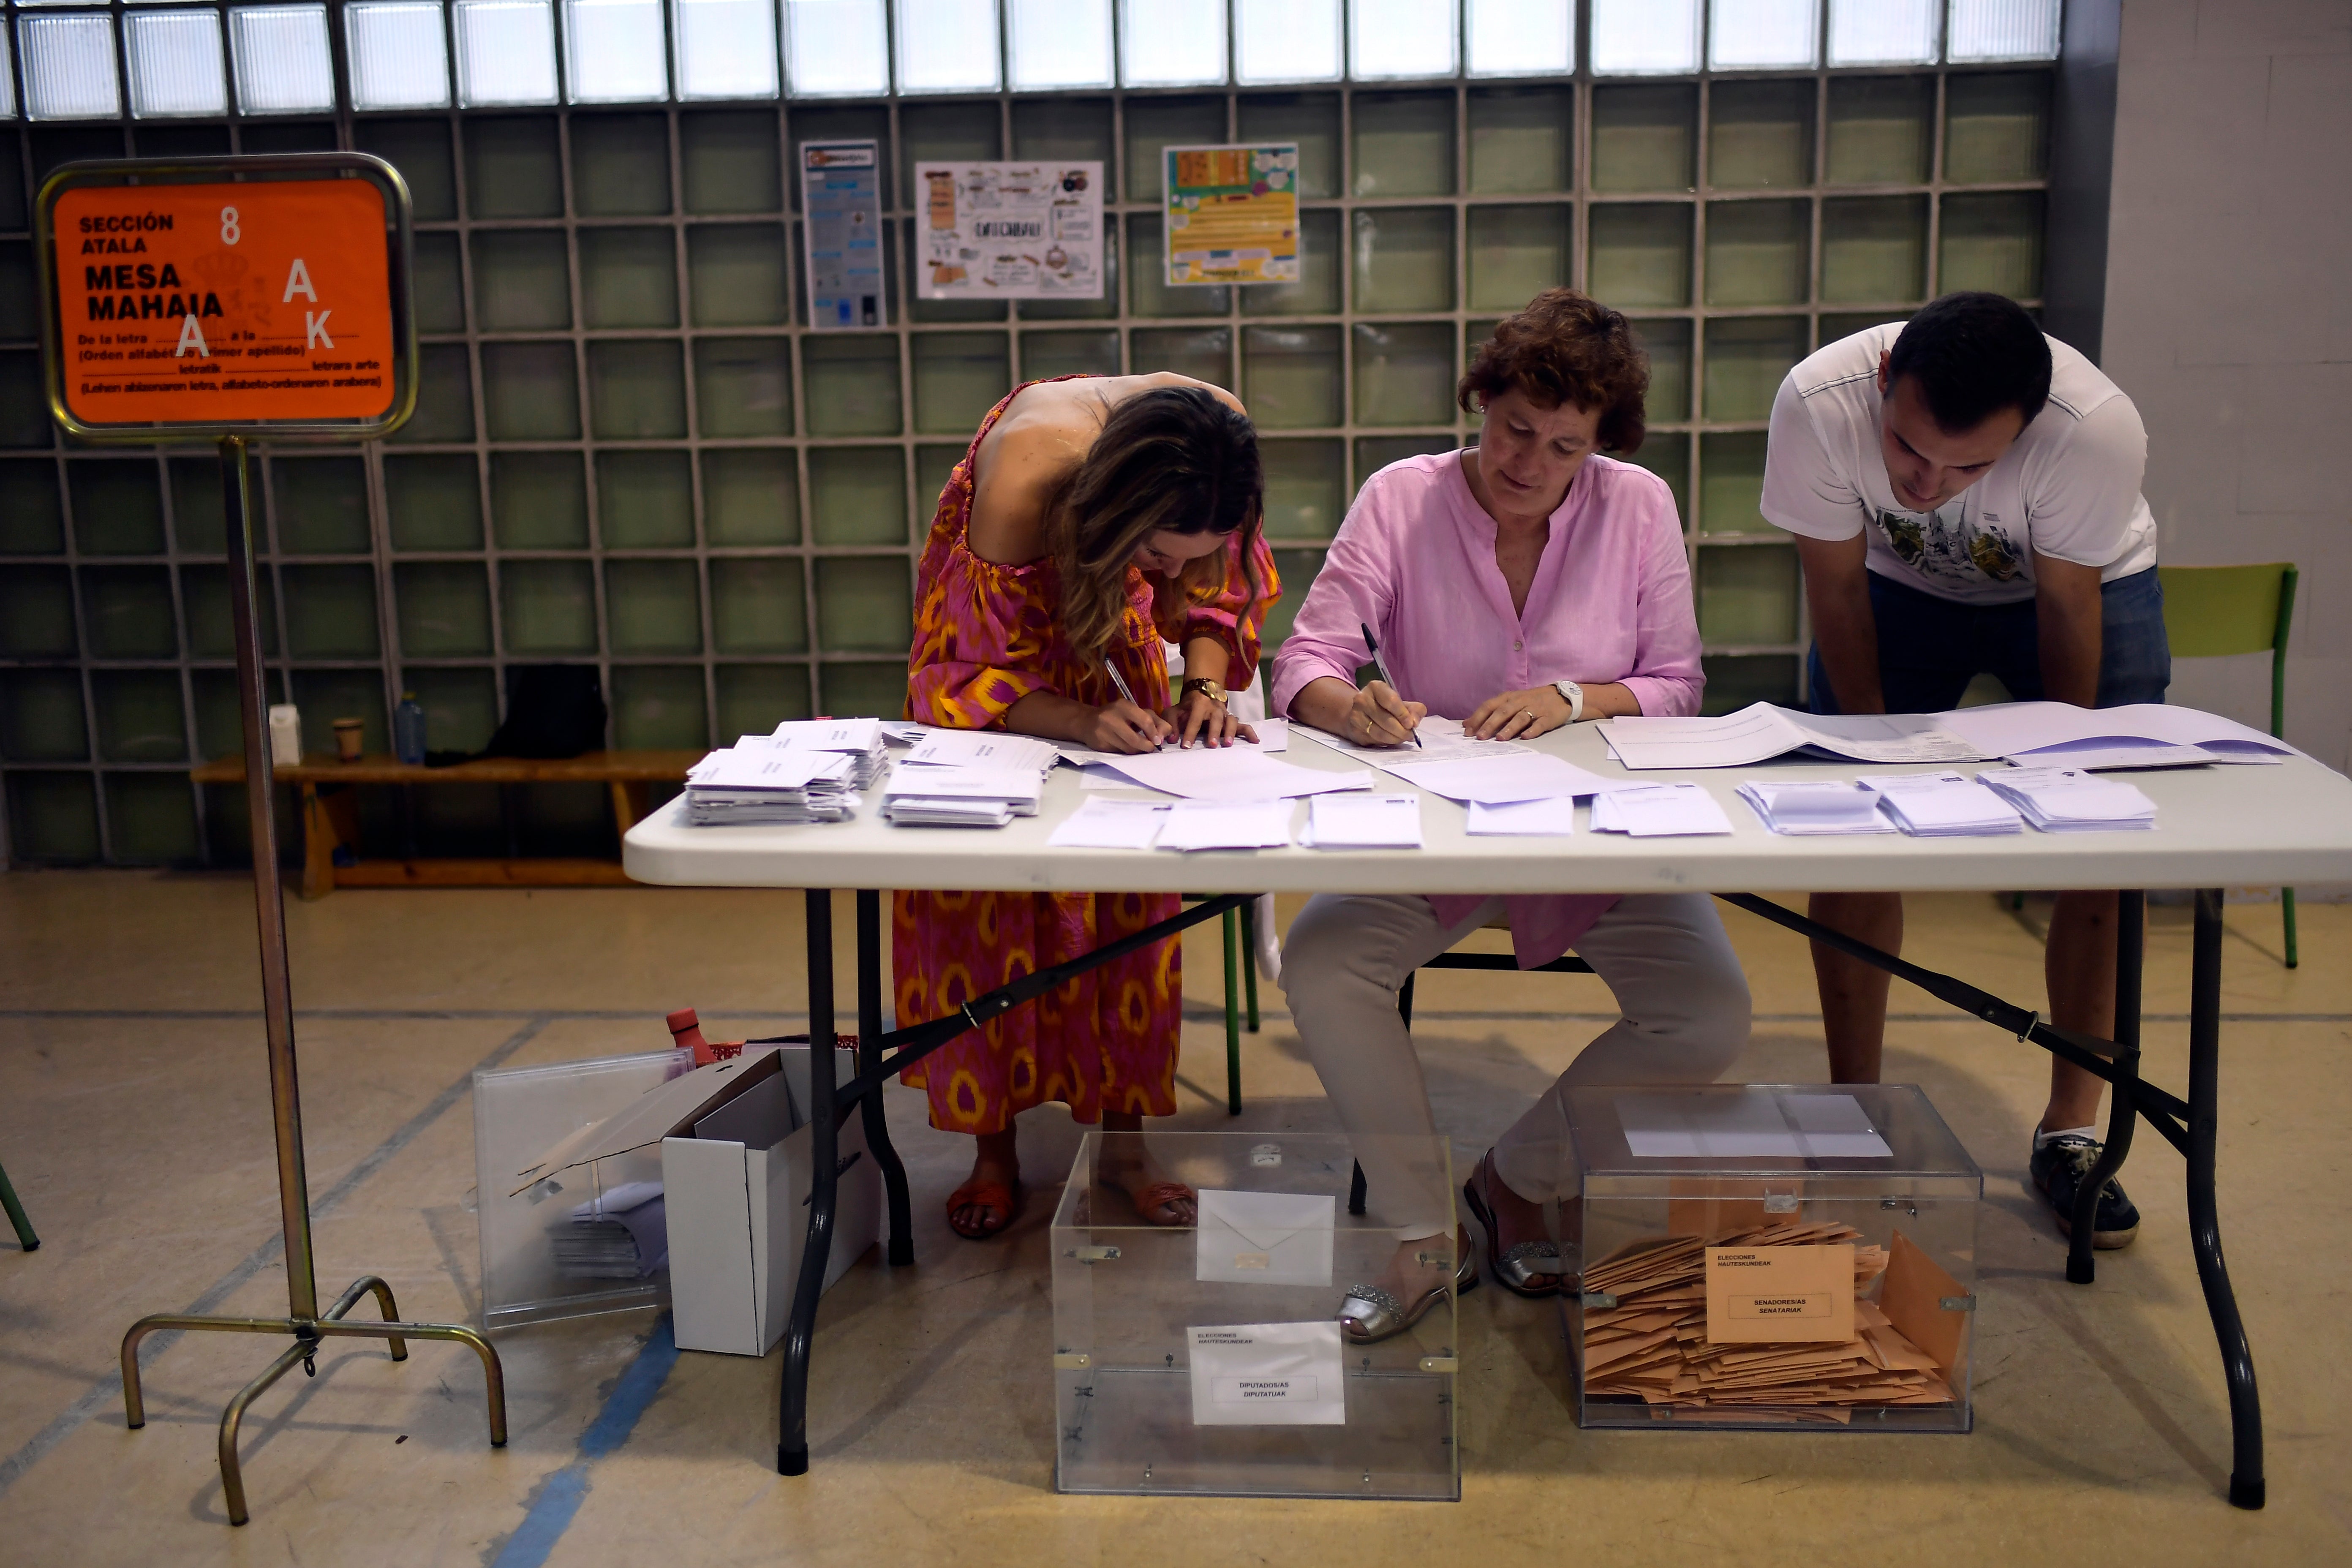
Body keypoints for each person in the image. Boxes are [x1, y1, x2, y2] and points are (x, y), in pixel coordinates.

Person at [1273, 289, 1752, 1342]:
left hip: (1594, 837)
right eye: (1512, 428)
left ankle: (1515, 1181)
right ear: (1480, 402)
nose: (1526, 462)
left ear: (1600, 447)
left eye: (1563, 445)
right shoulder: (1402, 496)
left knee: (1710, 1011)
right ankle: (1420, 1230)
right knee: (1321, 956)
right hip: (1438, 830)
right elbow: (1305, 658)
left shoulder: (1639, 506)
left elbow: (1677, 680)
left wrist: (1580, 697)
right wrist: (1347, 704)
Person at [1761, 291, 2166, 1250]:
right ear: (1886, 378)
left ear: (2025, 432)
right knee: (1852, 838)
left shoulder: (2093, 429)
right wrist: (1866, 750)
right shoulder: (1819, 401)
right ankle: (1851, 1109)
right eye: (1905, 448)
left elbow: (2066, 609)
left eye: (1971, 465)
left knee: (2098, 847)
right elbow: (1833, 584)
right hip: (1895, 592)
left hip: (2081, 586)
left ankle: (2073, 1131)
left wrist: (2063, 772)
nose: (1925, 482)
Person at [895, 375, 1278, 1240]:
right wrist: (1078, 718)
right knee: (987, 911)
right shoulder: (1025, 479)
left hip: (1114, 693)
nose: (1174, 578)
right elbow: (963, 675)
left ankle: (1126, 1148)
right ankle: (993, 1152)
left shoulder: (1220, 448)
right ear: (1111, 518)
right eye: (1158, 558)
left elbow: (1218, 594)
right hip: (1000, 707)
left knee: (1126, 903)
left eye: (1188, 555)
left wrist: (1205, 682)